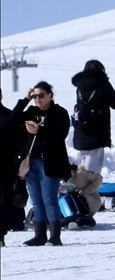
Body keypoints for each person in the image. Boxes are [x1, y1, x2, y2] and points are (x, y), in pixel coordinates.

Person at [15, 82, 71, 246]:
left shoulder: (59, 113)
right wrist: (25, 100)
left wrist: (39, 131)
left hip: (50, 161)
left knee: (49, 198)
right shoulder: (32, 112)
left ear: (50, 95)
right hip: (30, 162)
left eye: (41, 96)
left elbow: (60, 135)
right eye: (34, 96)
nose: (37, 99)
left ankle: (55, 236)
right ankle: (39, 235)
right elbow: (14, 119)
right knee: (36, 200)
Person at [71, 60, 115, 210]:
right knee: (92, 171)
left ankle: (84, 198)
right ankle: (86, 201)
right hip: (97, 131)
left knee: (85, 166)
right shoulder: (103, 83)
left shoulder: (80, 85)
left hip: (82, 131)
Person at [1, 88, 31, 246]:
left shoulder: (9, 116)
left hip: (7, 165)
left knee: (5, 200)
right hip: (8, 164)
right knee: (5, 200)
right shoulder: (9, 116)